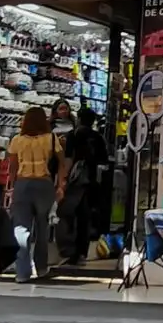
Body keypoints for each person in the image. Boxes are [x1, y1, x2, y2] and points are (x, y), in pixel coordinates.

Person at [8, 106, 66, 283]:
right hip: (44, 184)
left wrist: (12, 187)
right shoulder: (51, 139)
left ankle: (22, 272)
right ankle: (41, 268)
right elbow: (62, 162)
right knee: (43, 229)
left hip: (22, 184)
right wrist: (61, 185)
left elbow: (12, 167)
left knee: (21, 229)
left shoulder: (17, 140)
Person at [60, 107, 107, 264]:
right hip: (90, 181)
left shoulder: (73, 135)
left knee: (67, 214)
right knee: (84, 217)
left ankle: (69, 250)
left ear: (79, 118)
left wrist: (63, 179)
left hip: (75, 181)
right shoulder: (97, 137)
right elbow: (103, 160)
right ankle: (81, 252)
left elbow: (67, 158)